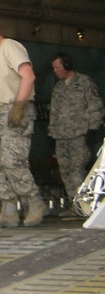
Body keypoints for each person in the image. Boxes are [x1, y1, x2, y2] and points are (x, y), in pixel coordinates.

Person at [0, 18, 47, 227]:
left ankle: (34, 203)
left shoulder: (10, 47)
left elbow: (28, 76)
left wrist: (19, 105)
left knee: (13, 161)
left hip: (15, 110)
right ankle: (9, 210)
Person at [48, 52, 105, 202]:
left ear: (66, 65)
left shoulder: (84, 82)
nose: (55, 70)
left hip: (79, 135)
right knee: (65, 172)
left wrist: (93, 129)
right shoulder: (58, 87)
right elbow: (54, 112)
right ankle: (74, 204)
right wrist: (52, 133)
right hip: (61, 137)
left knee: (76, 170)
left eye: (57, 67)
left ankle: (82, 205)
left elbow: (95, 106)